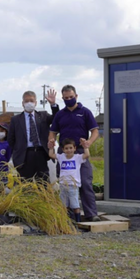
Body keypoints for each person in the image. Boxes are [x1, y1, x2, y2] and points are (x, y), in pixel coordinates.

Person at [49, 85, 100, 222]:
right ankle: (68, 215)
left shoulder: (85, 112)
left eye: (71, 97)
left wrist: (89, 142)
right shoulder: (60, 114)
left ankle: (91, 214)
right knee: (65, 184)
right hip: (64, 153)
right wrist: (51, 142)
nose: (69, 99)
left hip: (79, 152)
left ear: (76, 96)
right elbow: (53, 131)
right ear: (63, 98)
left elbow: (95, 130)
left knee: (85, 182)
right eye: (66, 98)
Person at [7, 90, 59, 182]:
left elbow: (56, 118)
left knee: (43, 182)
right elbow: (11, 139)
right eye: (26, 101)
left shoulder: (43, 115)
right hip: (24, 155)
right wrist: (17, 152)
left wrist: (53, 104)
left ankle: (43, 196)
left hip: (41, 153)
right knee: (25, 185)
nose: (29, 103)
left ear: (35, 102)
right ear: (23, 103)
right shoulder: (15, 120)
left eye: (31, 101)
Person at [48, 138, 90, 223]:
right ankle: (65, 220)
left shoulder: (77, 158)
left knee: (74, 204)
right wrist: (51, 147)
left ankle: (77, 221)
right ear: (63, 149)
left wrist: (85, 146)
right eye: (66, 148)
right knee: (64, 204)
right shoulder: (61, 157)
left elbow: (86, 155)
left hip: (73, 185)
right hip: (63, 184)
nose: (69, 150)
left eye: (71, 148)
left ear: (75, 148)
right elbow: (51, 155)